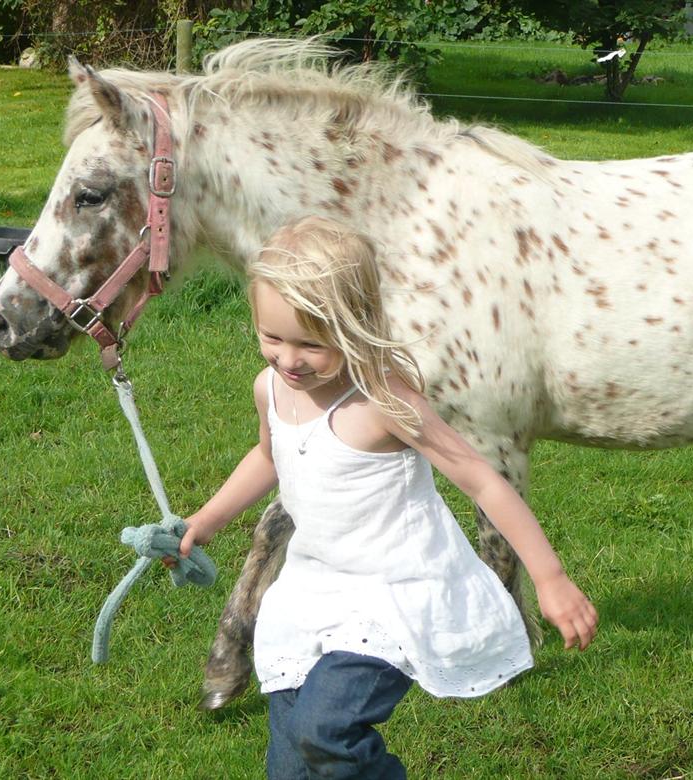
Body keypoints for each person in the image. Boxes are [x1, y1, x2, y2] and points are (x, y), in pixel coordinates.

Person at [173, 215, 598, 779]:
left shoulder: (382, 404)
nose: (288, 359)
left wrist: (550, 578)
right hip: (310, 590)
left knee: (327, 732)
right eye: (272, 338)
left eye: (311, 344)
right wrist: (204, 519)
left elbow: (481, 477)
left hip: (393, 594)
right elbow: (268, 458)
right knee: (289, 763)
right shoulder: (270, 388)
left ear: (355, 325)